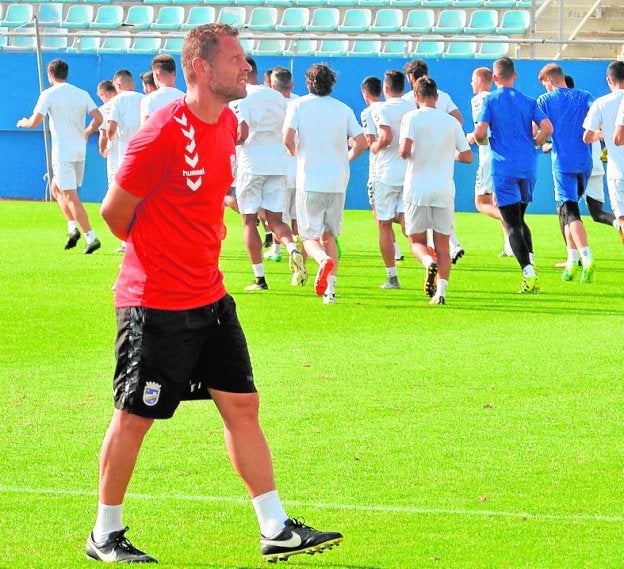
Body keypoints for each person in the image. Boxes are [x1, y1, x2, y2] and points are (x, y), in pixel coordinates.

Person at [87, 23, 343, 565]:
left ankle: (274, 527)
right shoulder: (158, 133)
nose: (246, 67)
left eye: (246, 59)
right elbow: (114, 213)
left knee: (242, 404)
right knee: (135, 416)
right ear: (201, 68)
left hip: (210, 297)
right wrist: (162, 256)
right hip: (154, 302)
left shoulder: (227, 122)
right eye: (236, 59)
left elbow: (201, 194)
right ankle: (105, 535)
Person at [283, 63, 367, 304]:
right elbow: (360, 142)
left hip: (310, 179)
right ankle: (330, 293)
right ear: (331, 83)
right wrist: (346, 159)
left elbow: (287, 138)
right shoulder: (343, 109)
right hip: (337, 180)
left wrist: (294, 151)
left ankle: (321, 260)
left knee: (308, 236)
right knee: (329, 235)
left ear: (309, 83)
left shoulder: (297, 105)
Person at [474, 57, 553, 293]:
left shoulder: (490, 101)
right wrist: (535, 144)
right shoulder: (528, 101)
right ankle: (531, 263)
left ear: (495, 78)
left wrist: (481, 139)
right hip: (528, 166)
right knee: (519, 219)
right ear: (515, 76)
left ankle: (528, 275)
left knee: (511, 224)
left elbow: (480, 132)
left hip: (504, 167)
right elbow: (547, 128)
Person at [232, 57, 306, 291]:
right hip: (278, 164)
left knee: (248, 221)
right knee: (276, 220)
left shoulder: (241, 97)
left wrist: (229, 142)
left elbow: (242, 133)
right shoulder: (278, 97)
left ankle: (260, 279)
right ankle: (293, 249)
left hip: (252, 164)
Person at [399, 76, 473, 305]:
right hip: (443, 188)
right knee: (442, 244)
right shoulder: (452, 123)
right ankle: (441, 293)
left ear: (417, 96)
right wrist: (448, 153)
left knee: (417, 241)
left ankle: (427, 262)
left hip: (417, 187)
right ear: (437, 97)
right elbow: (467, 156)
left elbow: (404, 151)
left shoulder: (411, 117)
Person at [17, 59, 103, 254]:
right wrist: (87, 132)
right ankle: (72, 228)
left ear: (50, 75)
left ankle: (91, 236)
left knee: (71, 196)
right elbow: (99, 118)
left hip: (63, 152)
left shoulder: (48, 94)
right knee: (56, 187)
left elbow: (35, 121)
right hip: (79, 150)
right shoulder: (81, 93)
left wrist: (24, 123)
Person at [536, 63, 596, 283]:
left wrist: (535, 142)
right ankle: (571, 262)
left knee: (570, 212)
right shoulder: (584, 95)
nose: (545, 89)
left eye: (545, 85)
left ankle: (586, 256)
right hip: (585, 162)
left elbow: (538, 129)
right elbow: (595, 120)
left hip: (563, 163)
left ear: (549, 81)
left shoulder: (546, 101)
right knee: (566, 210)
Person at [402, 59, 465, 263]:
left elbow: (404, 143)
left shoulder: (409, 101)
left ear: (411, 78)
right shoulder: (442, 96)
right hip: (441, 169)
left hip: (418, 170)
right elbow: (459, 121)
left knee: (412, 229)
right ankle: (450, 251)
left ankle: (428, 259)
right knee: (440, 217)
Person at [369, 70, 413, 289]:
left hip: (386, 174)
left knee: (384, 224)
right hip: (408, 172)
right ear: (403, 88)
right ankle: (428, 259)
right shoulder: (411, 107)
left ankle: (392, 278)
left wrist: (375, 146)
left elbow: (385, 136)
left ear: (386, 89)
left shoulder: (381, 109)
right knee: (409, 226)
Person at [465, 67, 512, 257]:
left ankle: (511, 221)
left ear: (480, 80)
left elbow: (481, 132)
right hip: (504, 156)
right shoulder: (499, 98)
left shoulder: (479, 100)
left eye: (472, 80)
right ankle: (510, 246)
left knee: (480, 202)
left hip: (488, 157)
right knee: (497, 201)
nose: (471, 84)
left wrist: (471, 137)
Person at [264, 66, 303, 274]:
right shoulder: (300, 103)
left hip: (280, 167)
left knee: (279, 216)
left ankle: (281, 249)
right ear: (292, 85)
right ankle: (297, 249)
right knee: (298, 215)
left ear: (272, 85)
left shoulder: (271, 105)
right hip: (301, 168)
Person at [585, 61, 624, 244]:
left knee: (622, 219)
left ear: (609, 79)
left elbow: (587, 136)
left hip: (618, 172)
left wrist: (602, 134)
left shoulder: (601, 103)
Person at [107, 69, 144, 253]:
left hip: (125, 157)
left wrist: (108, 139)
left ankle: (126, 241)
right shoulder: (144, 99)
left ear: (118, 85)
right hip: (144, 156)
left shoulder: (117, 101)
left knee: (122, 203)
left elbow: (111, 126)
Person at [140, 54, 185, 126]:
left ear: (156, 76)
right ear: (175, 74)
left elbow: (145, 130)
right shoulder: (186, 99)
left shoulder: (149, 99)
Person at [95, 80, 118, 188]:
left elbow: (104, 134)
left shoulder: (104, 109)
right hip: (134, 150)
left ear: (104, 93)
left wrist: (102, 148)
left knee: (114, 181)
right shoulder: (132, 102)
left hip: (114, 149)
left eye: (101, 97)